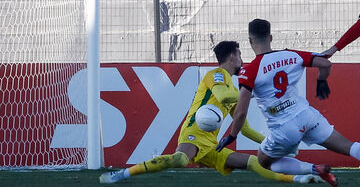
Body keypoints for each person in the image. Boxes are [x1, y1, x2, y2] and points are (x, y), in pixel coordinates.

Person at [99, 41, 320, 184]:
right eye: (240, 55)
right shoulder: (217, 74)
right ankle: (124, 174)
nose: (242, 61)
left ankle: (298, 179)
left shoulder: (234, 88)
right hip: (194, 131)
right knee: (180, 160)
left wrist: (274, 145)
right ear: (232, 56)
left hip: (212, 145)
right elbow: (223, 97)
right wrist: (253, 94)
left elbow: (243, 127)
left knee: (252, 162)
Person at [216, 19, 360, 187]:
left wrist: (232, 135)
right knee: (349, 147)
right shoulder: (291, 54)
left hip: (284, 129)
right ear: (270, 37)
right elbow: (325, 62)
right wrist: (322, 80)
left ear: (250, 41)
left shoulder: (250, 70)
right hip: (307, 116)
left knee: (264, 161)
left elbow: (241, 112)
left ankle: (314, 169)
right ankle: (319, 169)